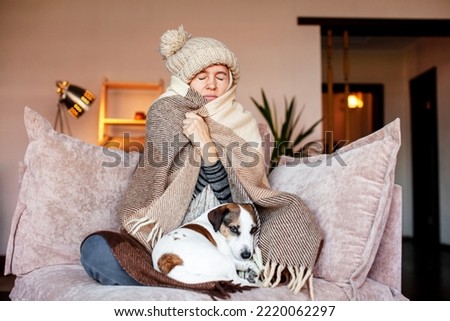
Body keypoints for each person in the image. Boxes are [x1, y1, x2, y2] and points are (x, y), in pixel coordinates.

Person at [80, 26, 323, 296]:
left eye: (221, 76)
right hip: (163, 235)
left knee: (284, 226)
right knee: (97, 250)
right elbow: (152, 182)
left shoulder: (243, 125)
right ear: (186, 81)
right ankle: (187, 277)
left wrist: (205, 143)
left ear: (231, 81)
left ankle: (173, 280)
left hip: (225, 234)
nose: (212, 84)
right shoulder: (166, 113)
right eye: (201, 76)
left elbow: (236, 203)